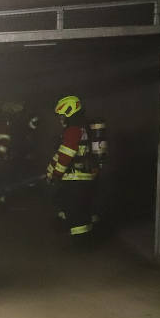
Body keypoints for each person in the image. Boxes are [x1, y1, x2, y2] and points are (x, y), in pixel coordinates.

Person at [45, 95, 100, 243]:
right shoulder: (83, 129)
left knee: (75, 210)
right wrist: (50, 171)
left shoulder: (73, 130)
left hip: (74, 179)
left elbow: (66, 155)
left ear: (69, 111)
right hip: (83, 178)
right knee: (80, 208)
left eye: (62, 115)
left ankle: (81, 242)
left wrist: (56, 174)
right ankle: (86, 236)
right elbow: (60, 154)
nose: (60, 119)